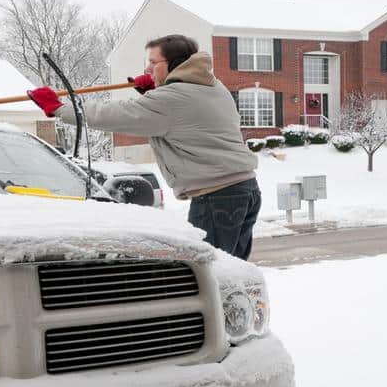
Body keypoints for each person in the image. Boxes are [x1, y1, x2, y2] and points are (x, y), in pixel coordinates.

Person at [27, 34, 261, 261]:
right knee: (233, 271)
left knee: (211, 274)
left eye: (152, 62)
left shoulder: (171, 99)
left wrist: (59, 108)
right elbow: (181, 115)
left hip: (216, 197)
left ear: (176, 64)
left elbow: (117, 114)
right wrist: (154, 91)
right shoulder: (212, 87)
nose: (147, 69)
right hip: (244, 189)